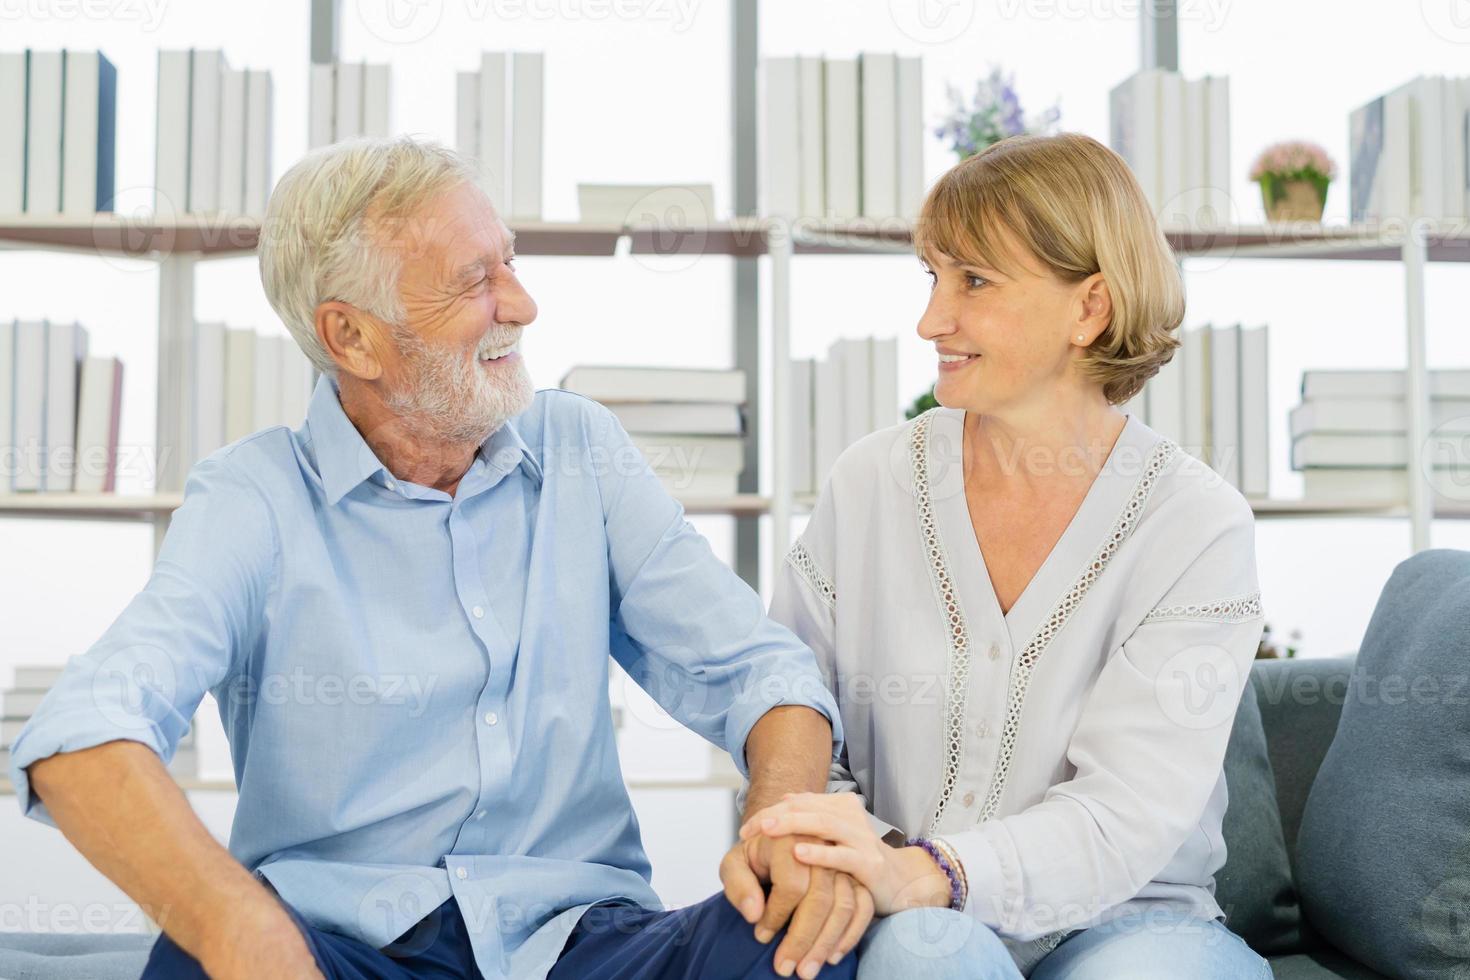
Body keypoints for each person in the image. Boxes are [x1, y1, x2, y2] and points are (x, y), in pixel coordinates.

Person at [10, 137, 869, 980]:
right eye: (474, 282)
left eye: (511, 262)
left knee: (805, 939)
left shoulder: (581, 449)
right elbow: (83, 734)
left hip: (584, 941)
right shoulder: (252, 499)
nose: (523, 305)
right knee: (194, 962)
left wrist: (781, 826)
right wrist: (233, 921)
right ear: (351, 338)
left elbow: (763, 675)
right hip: (343, 948)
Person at [737, 133, 1272, 979]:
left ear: (1089, 307)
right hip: (904, 916)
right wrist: (847, 855)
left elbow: (1127, 809)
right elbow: (798, 711)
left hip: (1133, 926)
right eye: (933, 277)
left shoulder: (1195, 524)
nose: (930, 320)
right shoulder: (873, 481)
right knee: (922, 959)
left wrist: (928, 871)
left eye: (974, 281)